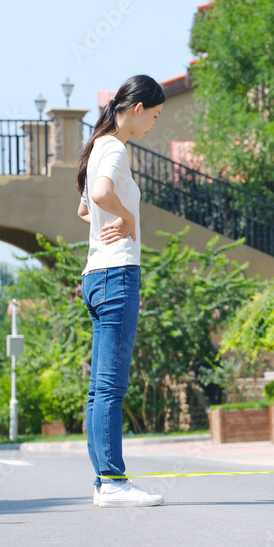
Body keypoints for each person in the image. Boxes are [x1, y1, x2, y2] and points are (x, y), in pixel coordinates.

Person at [76, 75, 165, 508]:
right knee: (110, 388)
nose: (154, 124)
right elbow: (99, 194)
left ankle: (103, 481)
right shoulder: (114, 147)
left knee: (99, 389)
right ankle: (112, 481)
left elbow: (83, 208)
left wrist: (107, 219)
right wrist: (127, 220)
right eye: (155, 115)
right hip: (116, 275)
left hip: (95, 276)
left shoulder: (96, 148)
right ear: (136, 109)